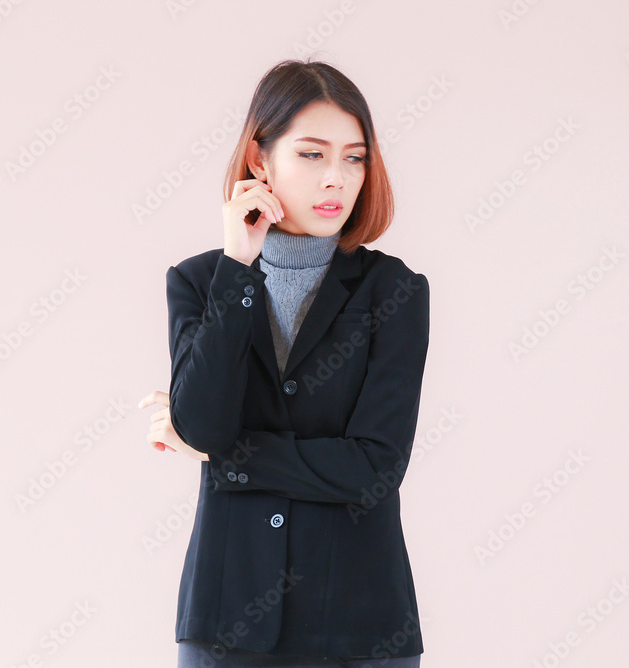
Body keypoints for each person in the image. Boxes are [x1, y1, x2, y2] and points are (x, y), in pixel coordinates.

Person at [138, 59, 429, 667]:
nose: (337, 180)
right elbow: (203, 423)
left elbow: (374, 469)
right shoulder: (200, 282)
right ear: (259, 160)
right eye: (312, 154)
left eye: (354, 158)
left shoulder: (394, 291)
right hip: (226, 624)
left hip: (360, 626)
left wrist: (225, 456)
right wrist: (238, 267)